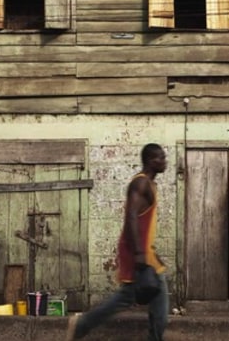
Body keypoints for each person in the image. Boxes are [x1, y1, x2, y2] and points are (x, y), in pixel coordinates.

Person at [67, 143, 168, 341]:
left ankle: (154, 337)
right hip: (137, 254)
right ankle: (82, 323)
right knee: (126, 298)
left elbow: (141, 222)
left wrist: (151, 252)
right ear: (150, 160)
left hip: (146, 254)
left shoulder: (149, 184)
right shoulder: (141, 184)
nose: (165, 162)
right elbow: (131, 216)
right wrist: (139, 253)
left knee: (156, 302)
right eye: (161, 158)